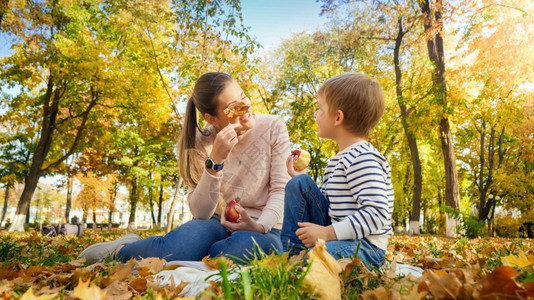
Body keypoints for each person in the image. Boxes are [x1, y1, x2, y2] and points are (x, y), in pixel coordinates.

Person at [78, 72, 291, 264]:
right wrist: (215, 161)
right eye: (234, 107)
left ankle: (197, 255)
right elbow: (200, 212)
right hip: (216, 222)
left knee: (239, 251)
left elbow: (281, 189)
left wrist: (258, 225)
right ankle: (121, 251)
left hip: (265, 227)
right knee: (177, 249)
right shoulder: (202, 142)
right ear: (212, 118)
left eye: (243, 97)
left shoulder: (273, 127)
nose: (246, 108)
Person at [281, 72, 394, 269]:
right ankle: (292, 255)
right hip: (336, 235)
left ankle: (304, 260)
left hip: (366, 247)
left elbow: (377, 213)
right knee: (298, 184)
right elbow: (328, 204)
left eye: (320, 109)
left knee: (316, 259)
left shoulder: (363, 157)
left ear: (338, 117)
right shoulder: (337, 160)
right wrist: (301, 179)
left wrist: (327, 233)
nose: (315, 114)